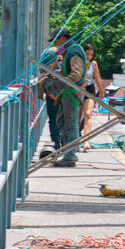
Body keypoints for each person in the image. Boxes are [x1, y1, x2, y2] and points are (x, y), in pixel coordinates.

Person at [48, 28, 86, 168]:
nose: (55, 44)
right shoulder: (69, 50)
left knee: (70, 123)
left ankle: (70, 156)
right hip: (68, 92)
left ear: (62, 38)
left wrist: (58, 84)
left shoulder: (74, 51)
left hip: (73, 93)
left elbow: (76, 74)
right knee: (62, 122)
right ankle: (68, 153)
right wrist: (56, 74)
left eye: (56, 41)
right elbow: (68, 71)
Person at [37, 33, 64, 151]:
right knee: (65, 119)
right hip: (67, 91)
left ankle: (56, 145)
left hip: (52, 91)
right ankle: (66, 144)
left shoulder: (47, 52)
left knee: (53, 119)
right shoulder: (68, 51)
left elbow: (41, 69)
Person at [80, 43, 105, 151]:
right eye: (87, 54)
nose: (89, 57)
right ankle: (76, 140)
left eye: (91, 55)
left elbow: (98, 78)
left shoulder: (93, 64)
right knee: (78, 116)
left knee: (88, 113)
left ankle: (86, 140)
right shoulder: (78, 62)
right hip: (78, 89)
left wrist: (101, 91)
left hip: (89, 89)